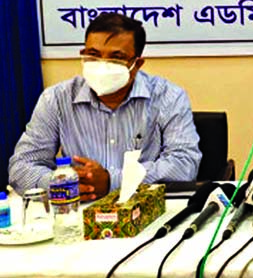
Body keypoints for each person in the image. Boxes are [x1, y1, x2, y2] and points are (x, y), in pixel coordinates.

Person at [8, 13, 201, 201]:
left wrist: (112, 181)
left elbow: (184, 165)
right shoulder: (56, 99)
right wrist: (65, 184)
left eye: (116, 58)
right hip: (76, 211)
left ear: (137, 64)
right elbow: (22, 167)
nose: (102, 65)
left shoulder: (168, 97)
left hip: (144, 208)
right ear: (82, 55)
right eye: (93, 55)